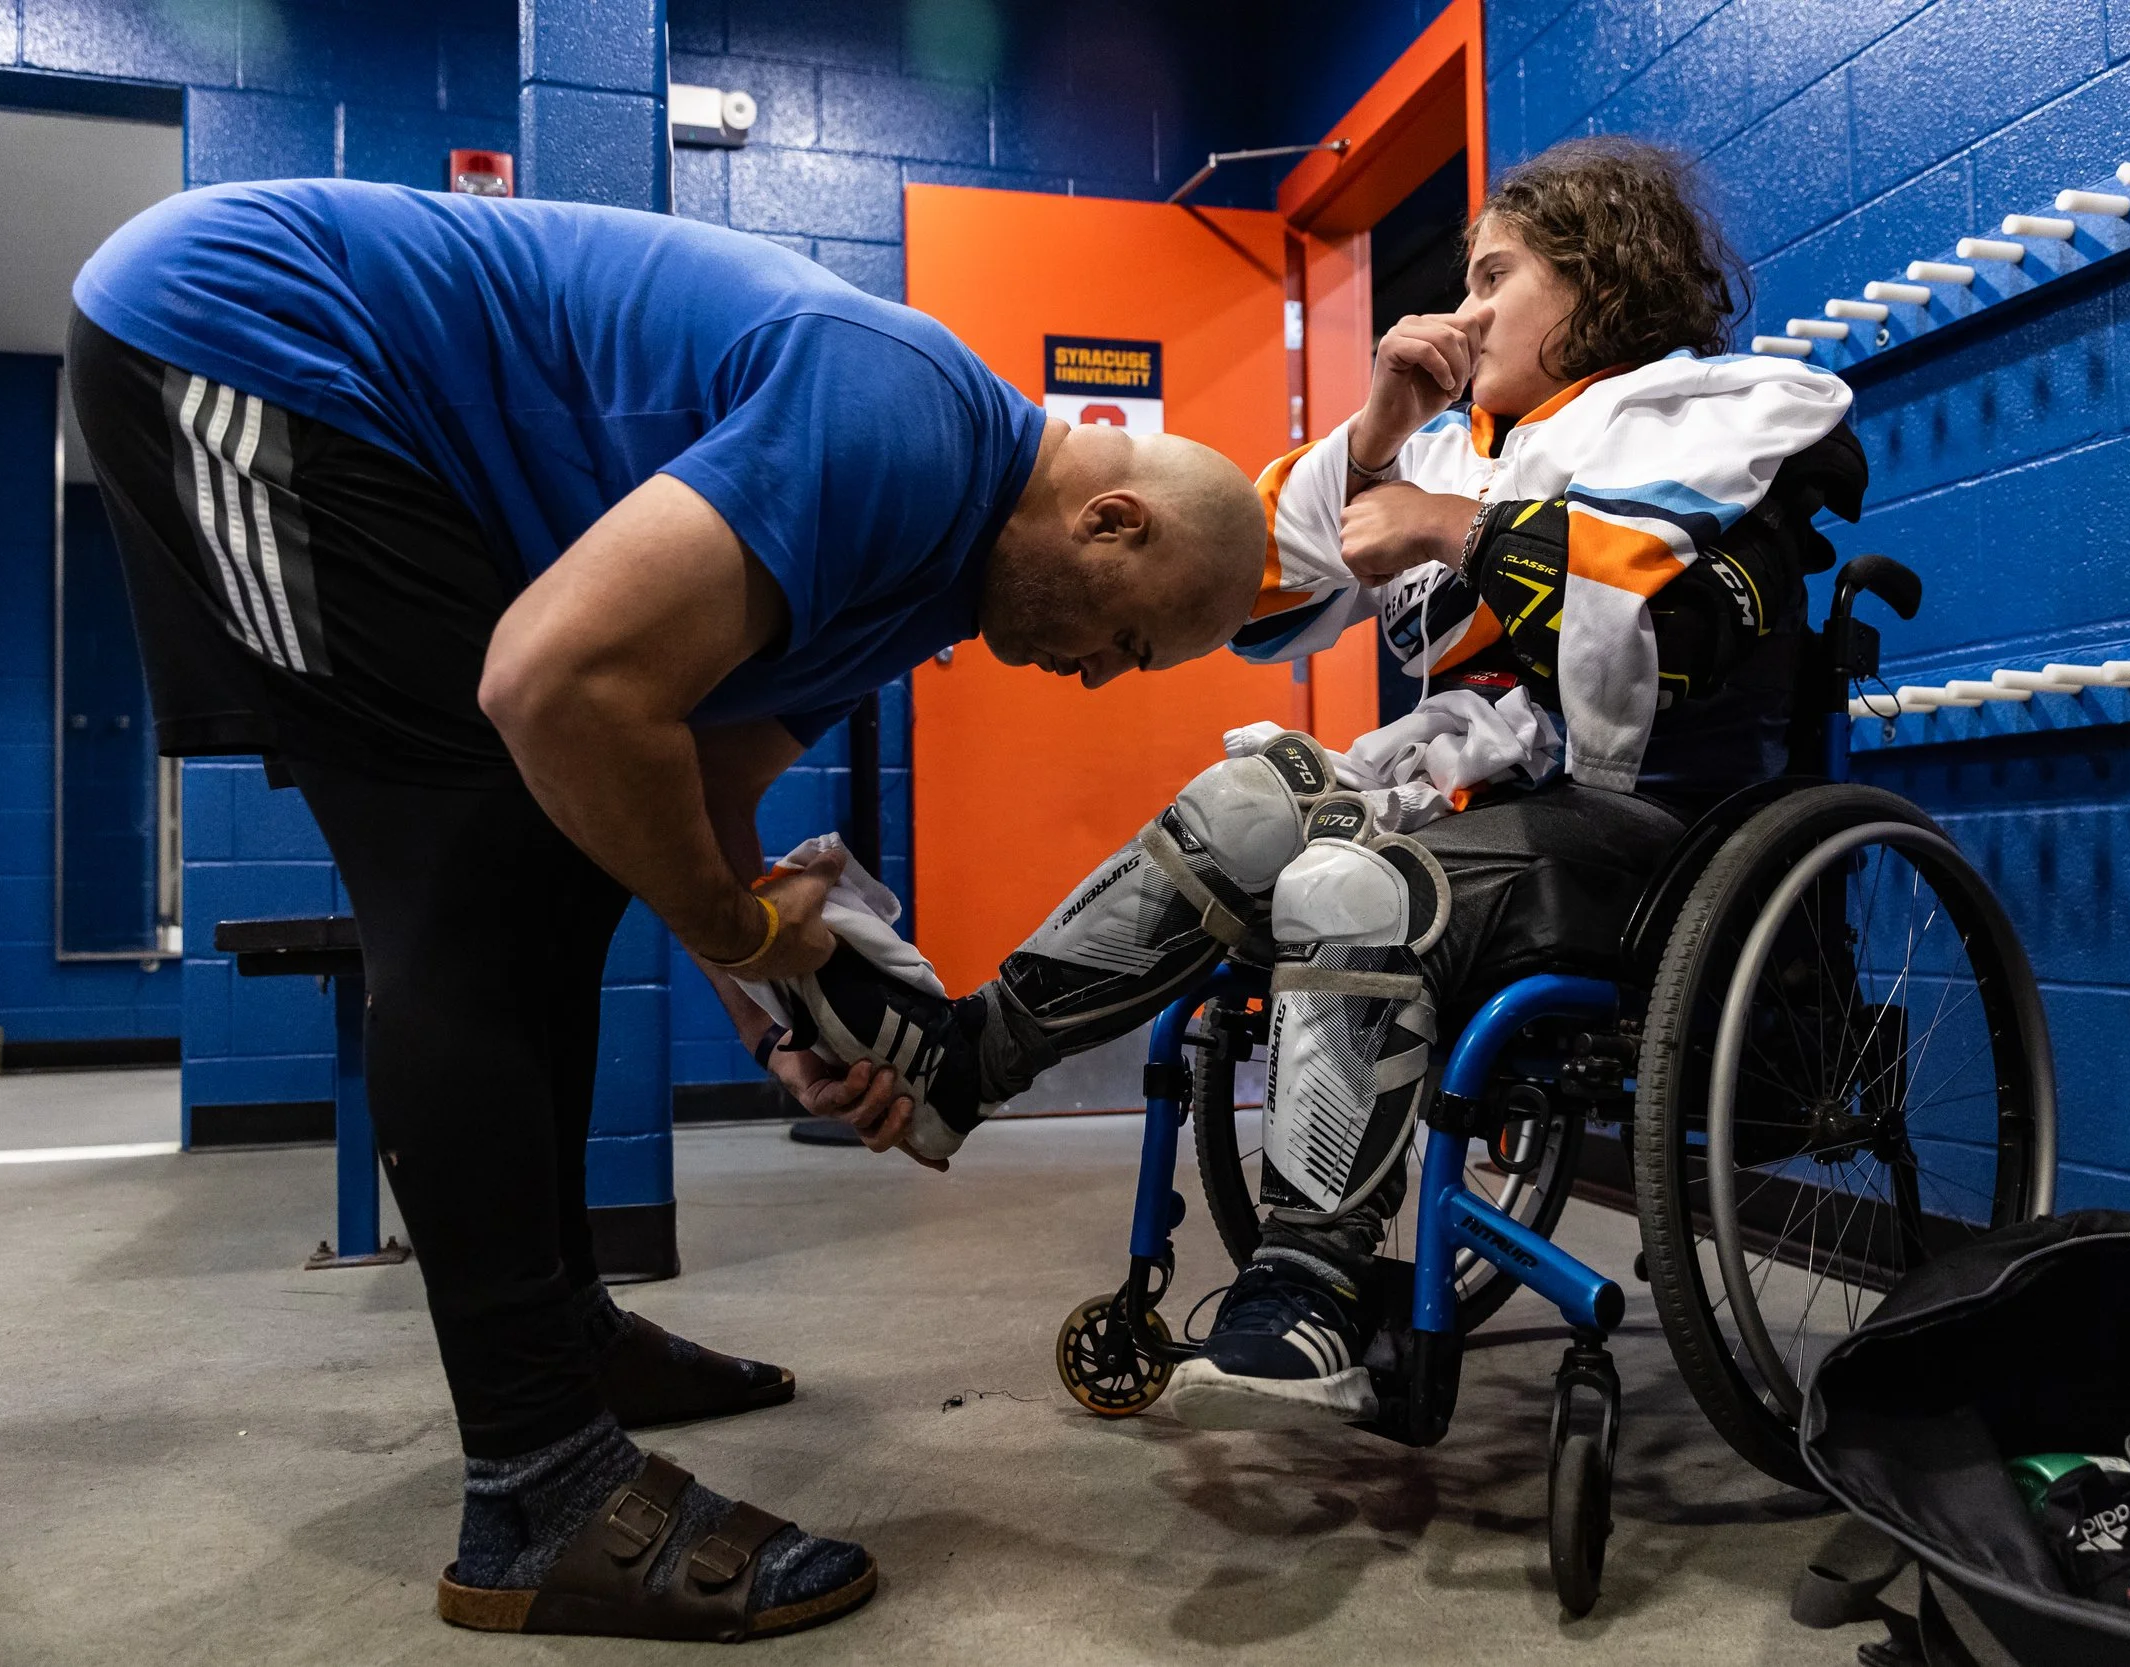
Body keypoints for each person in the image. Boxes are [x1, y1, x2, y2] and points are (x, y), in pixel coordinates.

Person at [66, 178, 1265, 1643]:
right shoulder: (900, 425)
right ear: (1111, 517)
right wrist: (752, 932)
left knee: (561, 859)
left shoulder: (931, 588)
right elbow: (551, 683)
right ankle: (539, 1490)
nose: (1091, 677)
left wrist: (785, 1032)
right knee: (472, 876)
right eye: (1121, 642)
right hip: (249, 334)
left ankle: (562, 1335)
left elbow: (695, 814)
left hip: (372, 422)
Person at [770, 137, 1868, 1429]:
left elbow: (1684, 624)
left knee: (1351, 882)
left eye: (1495, 276)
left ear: (1597, 280)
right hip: (1492, 811)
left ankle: (1311, 1278)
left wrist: (1451, 531)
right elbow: (1242, 575)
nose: (1465, 310)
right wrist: (1381, 430)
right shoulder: (1456, 448)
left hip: (1652, 827)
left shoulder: (1719, 411)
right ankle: (969, 1056)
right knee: (1252, 803)